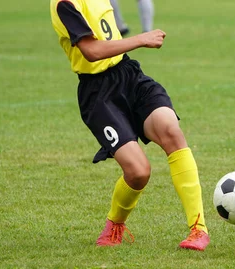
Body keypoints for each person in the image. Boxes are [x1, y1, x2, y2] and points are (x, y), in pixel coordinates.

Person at [49, 0, 209, 251]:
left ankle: (198, 229)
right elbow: (91, 51)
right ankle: (114, 224)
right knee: (138, 172)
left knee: (171, 130)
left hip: (129, 75)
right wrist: (140, 39)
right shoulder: (64, 4)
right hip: (98, 93)